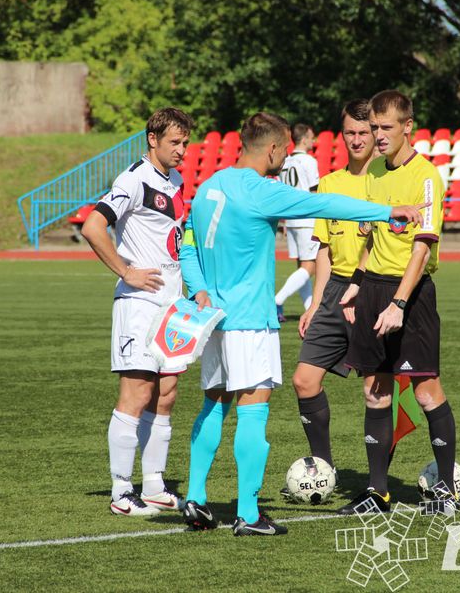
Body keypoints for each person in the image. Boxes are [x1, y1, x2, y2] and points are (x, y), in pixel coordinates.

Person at [178, 111, 427, 536]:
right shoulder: (261, 190)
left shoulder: (208, 188)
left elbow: (186, 245)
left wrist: (199, 289)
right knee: (252, 409)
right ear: (274, 149)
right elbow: (322, 203)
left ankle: (197, 500)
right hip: (250, 321)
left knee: (213, 404)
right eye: (284, 151)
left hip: (212, 318)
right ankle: (250, 513)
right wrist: (389, 212)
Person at [337, 90, 456, 516]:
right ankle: (378, 492)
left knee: (425, 392)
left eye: (386, 127)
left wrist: (400, 304)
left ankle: (446, 491)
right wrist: (357, 282)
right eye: (374, 128)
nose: (378, 135)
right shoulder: (374, 175)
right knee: (374, 391)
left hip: (412, 294)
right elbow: (372, 238)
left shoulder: (426, 176)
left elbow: (422, 248)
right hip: (374, 291)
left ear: (408, 126)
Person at [81, 107, 194, 517]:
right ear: (152, 139)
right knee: (137, 391)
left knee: (166, 393)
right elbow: (93, 227)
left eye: (185, 143)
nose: (182, 150)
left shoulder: (177, 181)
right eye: (174, 142)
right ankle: (120, 491)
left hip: (171, 305)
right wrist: (127, 271)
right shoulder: (134, 179)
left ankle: (154, 487)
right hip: (139, 304)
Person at [289, 99, 376, 474]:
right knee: (304, 380)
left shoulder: (385, 183)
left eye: (363, 132)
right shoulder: (329, 185)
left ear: (376, 133)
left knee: (375, 391)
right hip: (335, 291)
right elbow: (323, 248)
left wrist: (361, 287)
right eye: (349, 133)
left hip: (373, 290)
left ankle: (378, 482)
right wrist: (314, 304)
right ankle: (323, 469)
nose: (356, 140)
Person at [275, 123, 320, 321]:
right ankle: (276, 300)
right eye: (311, 137)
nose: (314, 140)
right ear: (304, 139)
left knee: (302, 267)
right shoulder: (309, 161)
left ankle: (311, 309)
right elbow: (314, 192)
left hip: (292, 219)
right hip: (307, 219)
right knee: (310, 267)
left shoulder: (286, 161)